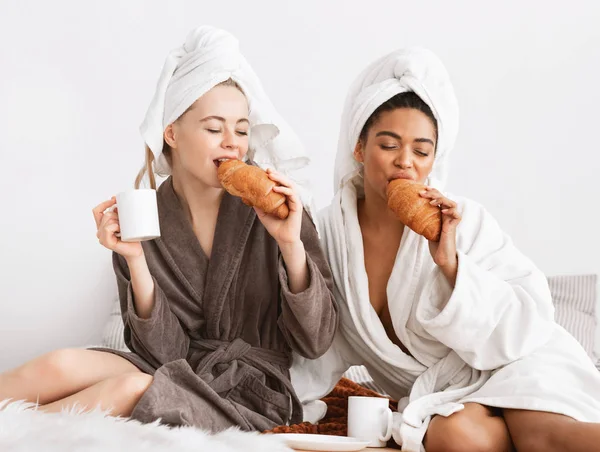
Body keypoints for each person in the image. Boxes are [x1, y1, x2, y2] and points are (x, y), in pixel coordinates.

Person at [0, 26, 338, 433]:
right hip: (170, 365)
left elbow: (316, 341)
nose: (233, 143)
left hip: (247, 392)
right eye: (215, 129)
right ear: (172, 134)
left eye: (243, 129)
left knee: (131, 388)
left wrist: (290, 245)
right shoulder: (146, 214)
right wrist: (136, 261)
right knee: (62, 364)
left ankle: (17, 434)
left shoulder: (278, 208)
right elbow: (164, 353)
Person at [291, 47, 600, 452]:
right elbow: (318, 339)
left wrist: (452, 265)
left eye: (421, 151)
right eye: (388, 145)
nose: (406, 162)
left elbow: (531, 318)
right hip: (443, 394)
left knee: (542, 436)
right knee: (456, 439)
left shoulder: (458, 220)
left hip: (516, 360)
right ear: (358, 147)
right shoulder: (329, 234)